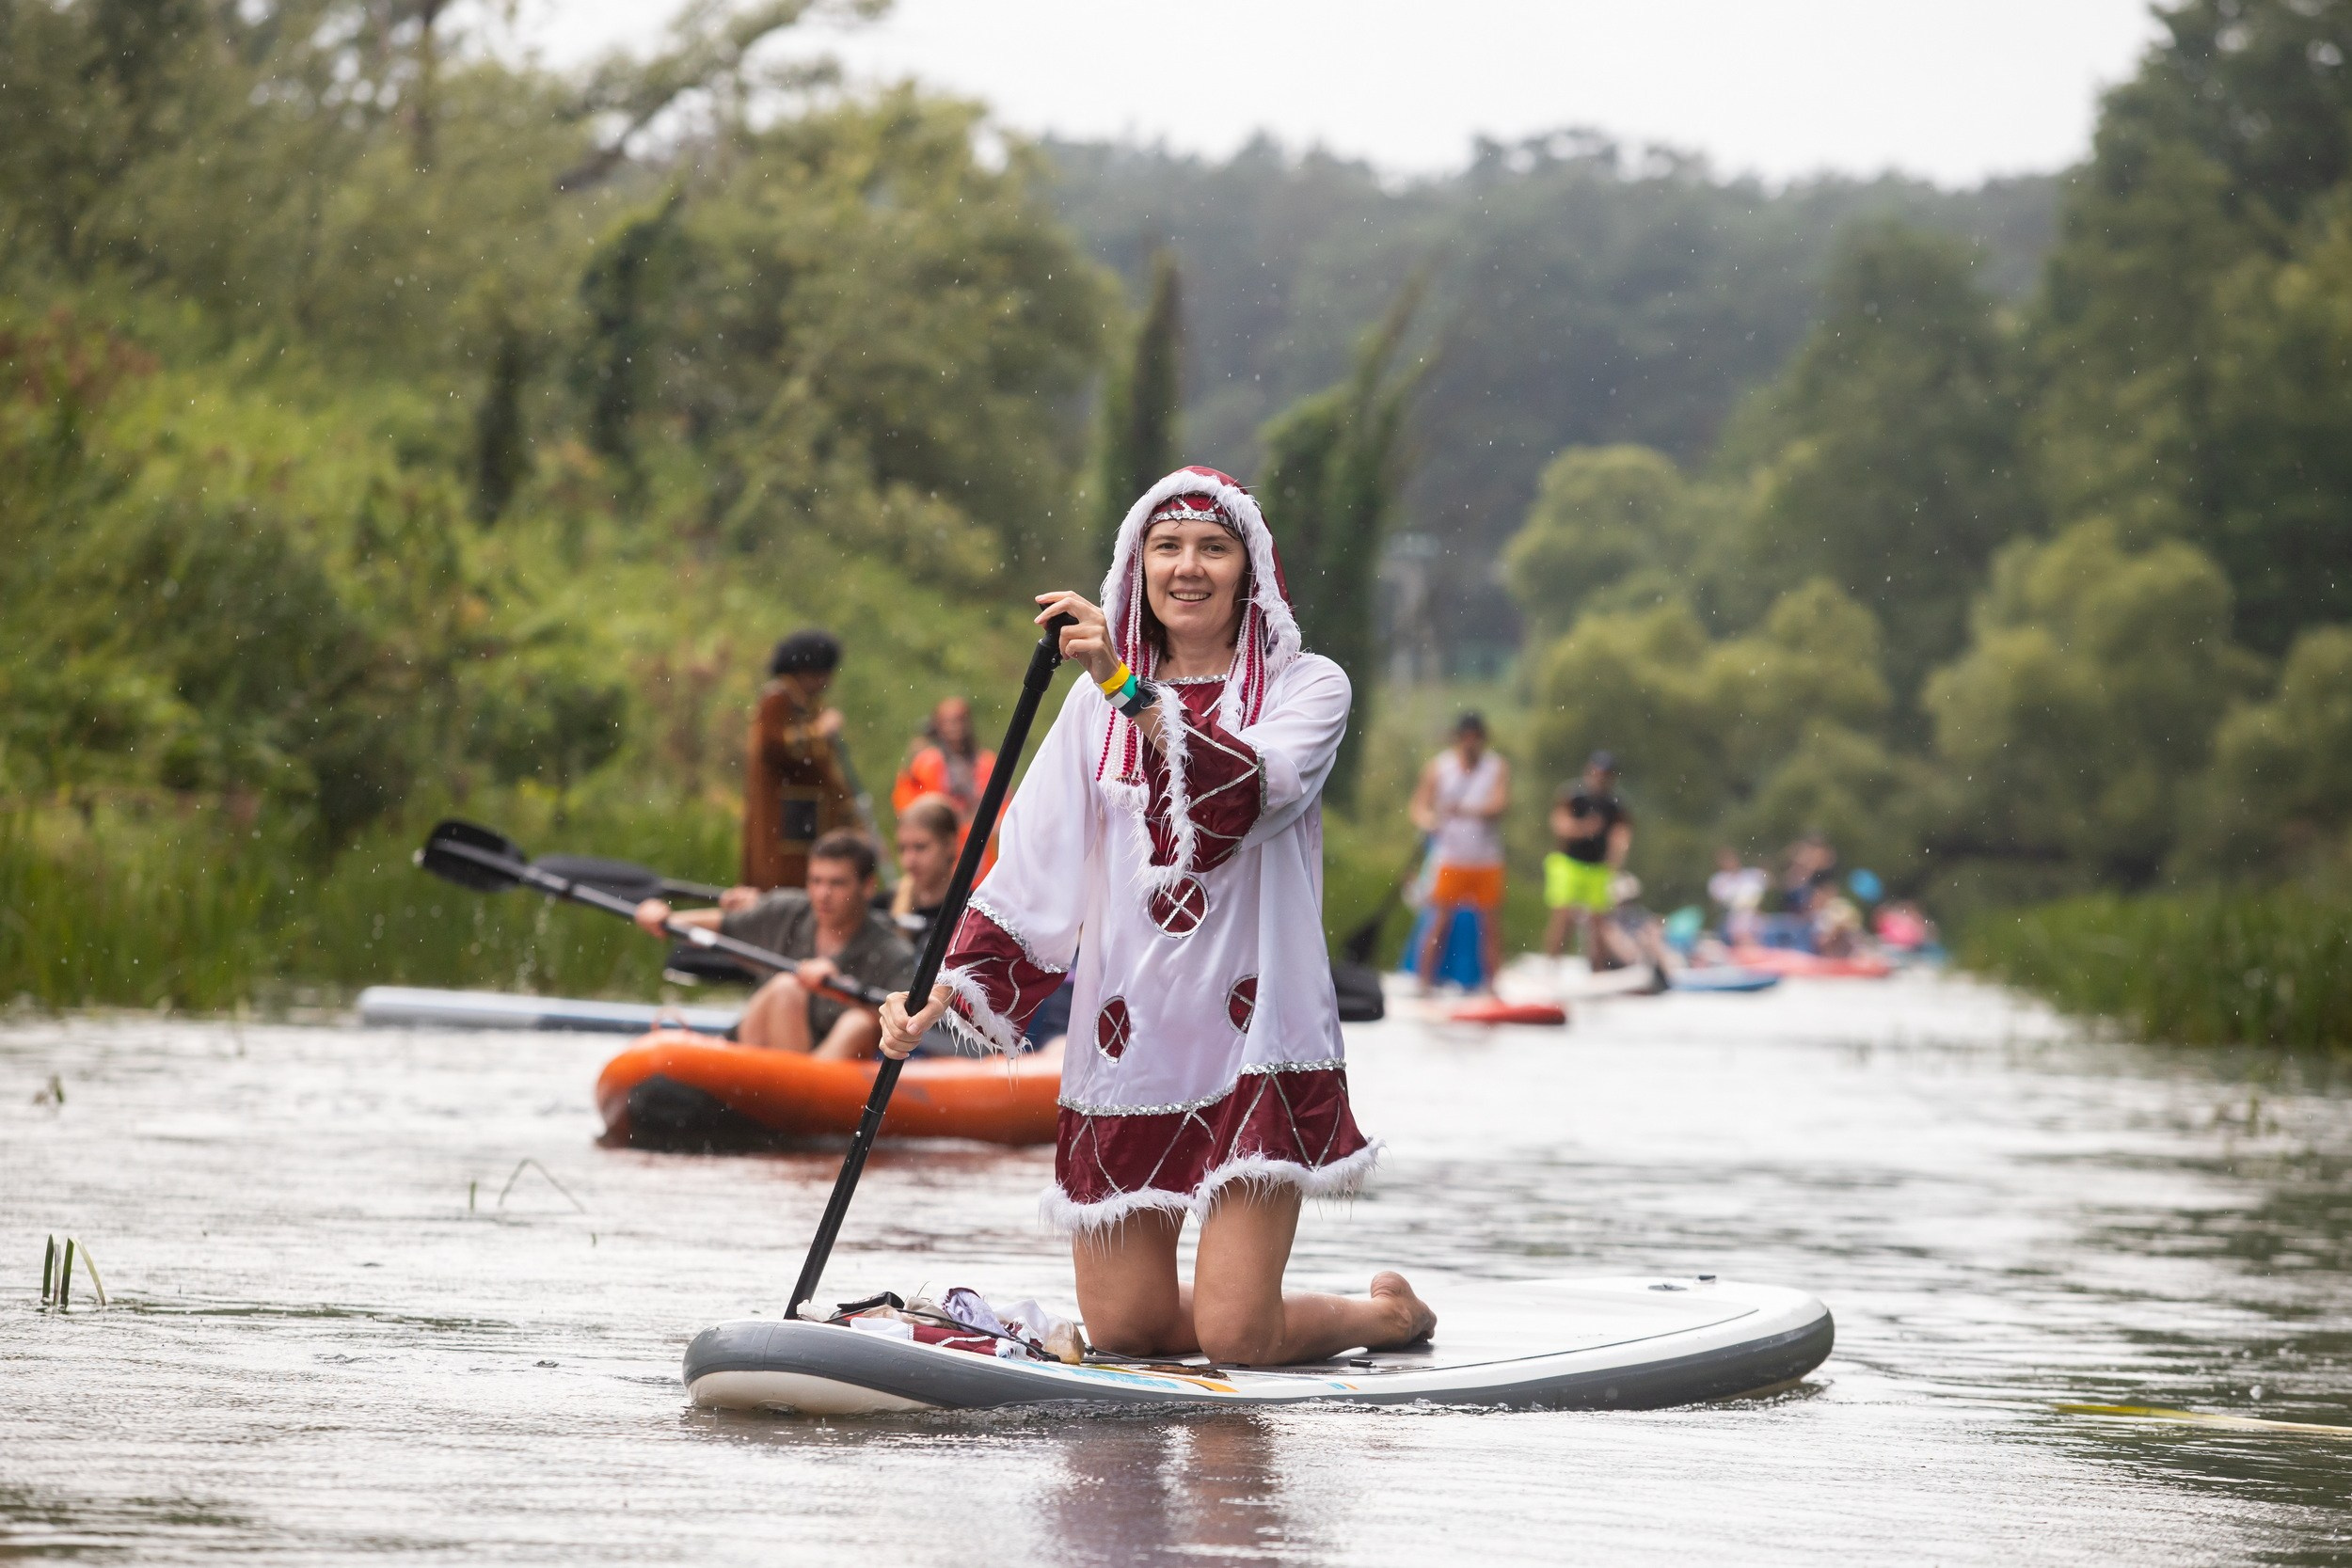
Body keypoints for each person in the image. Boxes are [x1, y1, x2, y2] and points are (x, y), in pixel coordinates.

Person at [880, 465, 1435, 1368]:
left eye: (1213, 547)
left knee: (1238, 1340)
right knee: (1127, 1330)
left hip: (1256, 1036)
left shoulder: (1309, 688)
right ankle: (1271, 1308)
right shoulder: (1088, 711)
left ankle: (1385, 1316)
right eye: (1166, 547)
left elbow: (1242, 796)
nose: (1188, 566)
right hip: (1128, 1037)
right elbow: (1032, 863)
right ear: (1137, 567)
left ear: (1249, 568)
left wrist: (1124, 685)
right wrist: (939, 993)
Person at [637, 830, 912, 1058]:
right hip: (761, 1055)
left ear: (867, 887)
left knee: (857, 1024)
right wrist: (667, 919)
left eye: (837, 883)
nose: (822, 894)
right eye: (815, 881)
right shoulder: (787, 911)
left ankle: (801, 1097)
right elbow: (723, 924)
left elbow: (905, 1025)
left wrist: (842, 990)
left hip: (832, 1070)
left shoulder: (891, 952)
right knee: (786, 988)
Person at [741, 629, 859, 891]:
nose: (826, 682)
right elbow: (771, 746)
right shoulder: (777, 699)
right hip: (783, 823)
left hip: (805, 820)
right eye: (821, 673)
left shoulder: (807, 704)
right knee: (782, 887)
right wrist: (819, 731)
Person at [1408, 713, 1511, 990]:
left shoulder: (1496, 767)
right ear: (1458, 738)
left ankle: (1493, 987)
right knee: (1439, 922)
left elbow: (1499, 806)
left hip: (1486, 859)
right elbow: (1419, 807)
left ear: (1482, 739)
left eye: (1476, 737)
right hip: (1450, 858)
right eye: (1466, 737)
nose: (1470, 743)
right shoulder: (1438, 768)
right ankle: (1424, 985)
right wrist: (1429, 821)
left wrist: (1465, 811)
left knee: (1489, 927)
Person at [1542, 752, 1632, 959]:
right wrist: (1584, 828)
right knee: (1563, 916)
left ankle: (1598, 970)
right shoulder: (1573, 795)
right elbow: (1559, 825)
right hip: (1569, 863)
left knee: (1598, 920)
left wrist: (1616, 860)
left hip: (1597, 867)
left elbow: (1621, 835)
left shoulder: (1615, 804)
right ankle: (1552, 964)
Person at [893, 697, 996, 823]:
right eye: (946, 722)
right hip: (938, 834)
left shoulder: (986, 762)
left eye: (958, 720)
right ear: (936, 726)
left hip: (977, 836)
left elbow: (1003, 804)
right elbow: (905, 803)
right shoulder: (925, 761)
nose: (953, 727)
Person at [888, 793, 961, 952]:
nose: (909, 861)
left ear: (949, 845)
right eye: (902, 849)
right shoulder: (884, 908)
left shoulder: (969, 912)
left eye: (920, 847)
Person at [1706, 847, 1769, 945]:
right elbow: (1717, 901)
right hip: (1730, 918)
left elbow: (1769, 881)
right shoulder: (1718, 880)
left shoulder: (1751, 875)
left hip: (1754, 916)